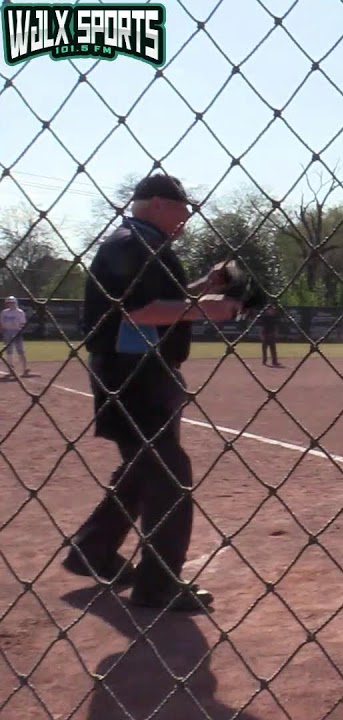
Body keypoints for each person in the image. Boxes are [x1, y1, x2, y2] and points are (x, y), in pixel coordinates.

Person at [64, 174, 241, 612]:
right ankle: (158, 584)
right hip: (134, 376)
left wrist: (205, 284)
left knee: (143, 469)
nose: (187, 217)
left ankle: (94, 550)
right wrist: (212, 308)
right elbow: (139, 310)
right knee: (167, 475)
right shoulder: (132, 245)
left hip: (138, 373)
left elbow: (154, 301)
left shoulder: (140, 243)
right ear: (160, 204)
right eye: (184, 208)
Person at [1, 295, 29, 378]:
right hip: (7, 332)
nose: (10, 304)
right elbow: (1, 323)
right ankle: (11, 369)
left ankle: (24, 369)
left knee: (20, 351)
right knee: (9, 351)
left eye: (12, 303)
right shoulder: (4, 312)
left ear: (15, 303)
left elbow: (22, 323)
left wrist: (19, 332)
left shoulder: (20, 312)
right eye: (9, 303)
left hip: (17, 332)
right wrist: (2, 331)